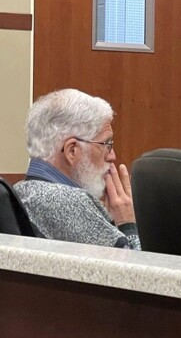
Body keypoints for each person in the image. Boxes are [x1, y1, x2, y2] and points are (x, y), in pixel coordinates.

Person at [14, 88, 141, 250]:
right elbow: (136, 273)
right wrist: (127, 222)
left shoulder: (20, 191)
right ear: (72, 151)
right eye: (107, 144)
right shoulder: (69, 202)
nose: (112, 156)